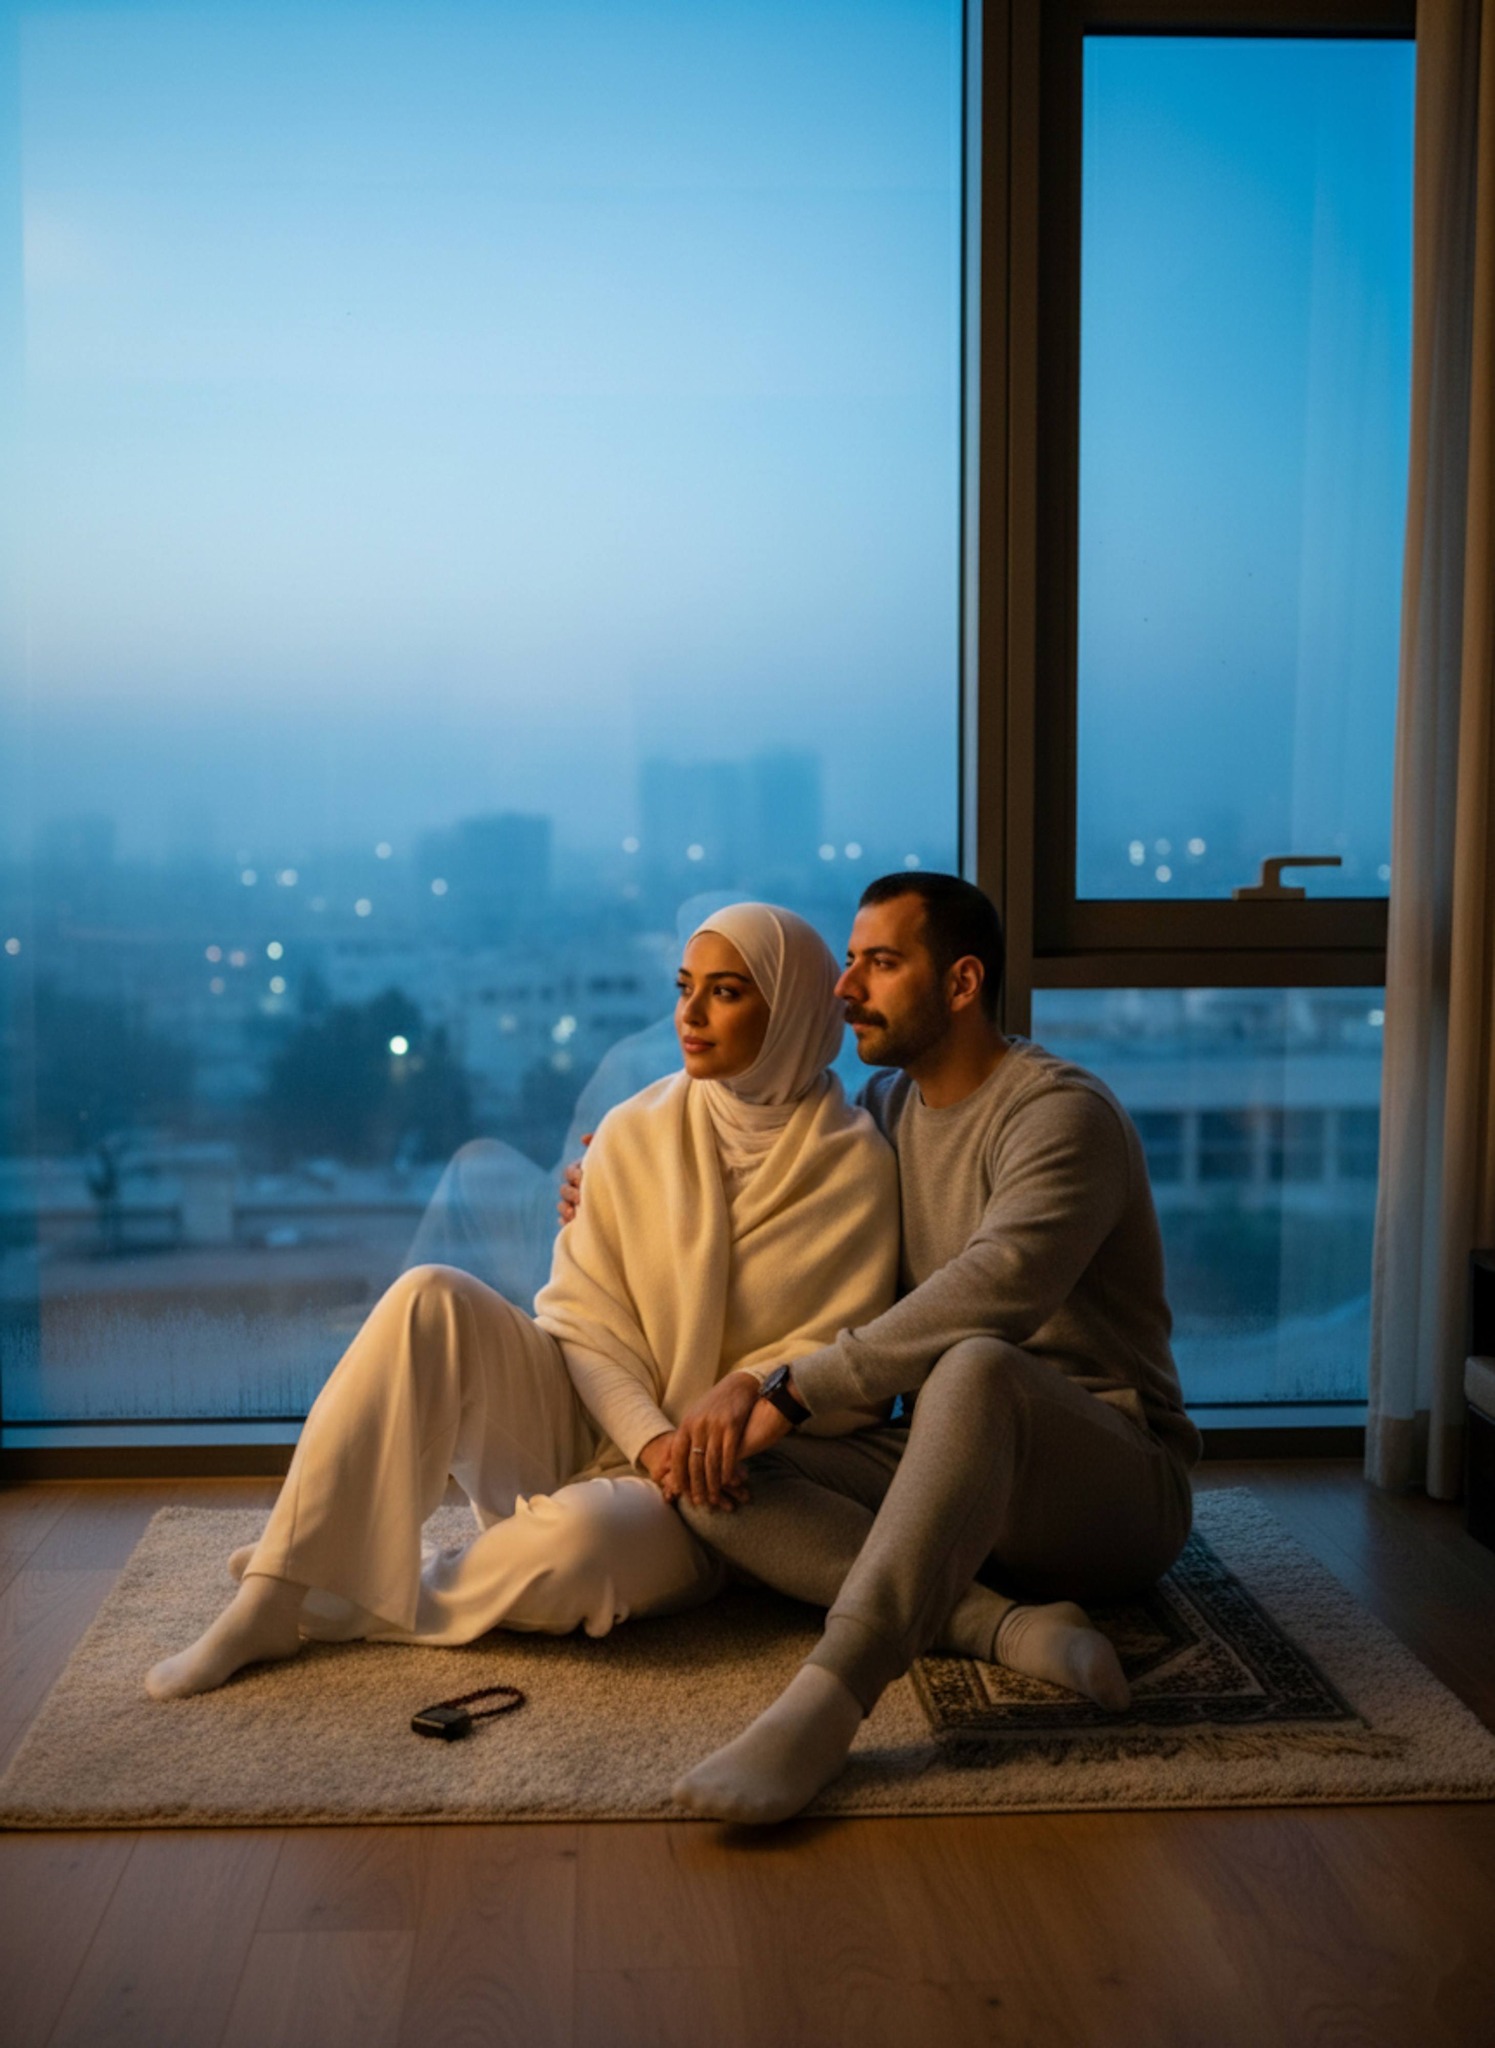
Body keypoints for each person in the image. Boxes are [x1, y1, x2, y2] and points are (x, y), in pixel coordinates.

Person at [144, 902, 904, 1701]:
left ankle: (353, 1601)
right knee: (427, 1295)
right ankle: (273, 1593)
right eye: (684, 987)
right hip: (598, 1422)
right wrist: (648, 1439)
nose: (688, 1013)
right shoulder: (633, 1130)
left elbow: (833, 1369)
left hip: (716, 1499)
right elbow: (582, 1321)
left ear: (786, 1010)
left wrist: (685, 1459)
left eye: (725, 992)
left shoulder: (851, 1168)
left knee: (579, 1547)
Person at [652, 872, 1200, 1824]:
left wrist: (791, 1389)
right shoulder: (885, 1109)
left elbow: (997, 1288)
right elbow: (758, 1172)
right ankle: (1003, 1629)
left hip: (1111, 1484)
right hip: (950, 1466)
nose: (844, 986)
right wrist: (602, 1182)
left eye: (880, 963)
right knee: (708, 1466)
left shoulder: (1059, 1114)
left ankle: (827, 1705)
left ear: (959, 984)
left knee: (976, 1360)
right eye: (851, 960)